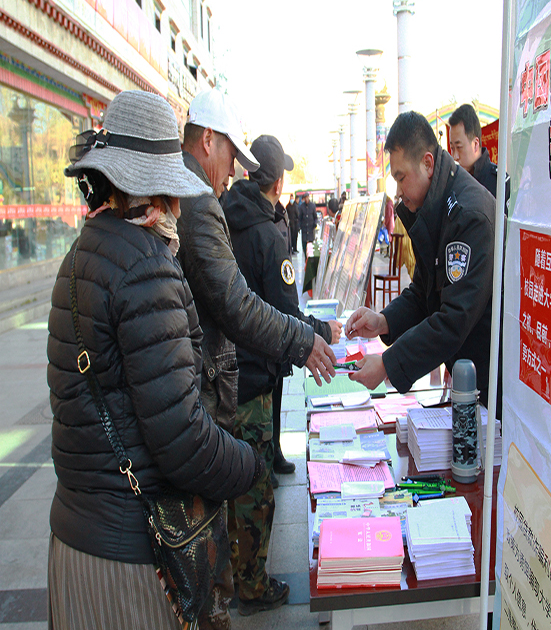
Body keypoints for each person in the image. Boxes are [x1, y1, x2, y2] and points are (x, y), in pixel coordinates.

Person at [46, 91, 263, 630]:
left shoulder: (82, 254)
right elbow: (181, 439)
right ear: (159, 186)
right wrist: (247, 464)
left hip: (73, 542)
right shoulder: (145, 268)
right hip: (131, 561)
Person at [177, 90, 336, 628]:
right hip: (218, 383)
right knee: (246, 488)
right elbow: (241, 305)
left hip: (217, 380)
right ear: (207, 142)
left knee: (230, 495)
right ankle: (238, 588)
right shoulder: (199, 205)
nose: (229, 174)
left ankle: (228, 586)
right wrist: (305, 341)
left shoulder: (213, 205)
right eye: (228, 158)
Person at [220, 135, 342, 613]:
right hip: (253, 377)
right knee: (256, 487)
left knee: (232, 478)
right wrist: (322, 331)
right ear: (278, 180)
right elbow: (284, 313)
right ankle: (250, 583)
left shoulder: (224, 217)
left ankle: (231, 568)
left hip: (226, 372)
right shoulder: (267, 234)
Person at [346, 110, 501, 418]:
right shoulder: (436, 206)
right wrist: (383, 321)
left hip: (489, 385)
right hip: (464, 375)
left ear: (428, 163)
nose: (399, 191)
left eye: (401, 177)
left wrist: (389, 364)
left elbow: (453, 319)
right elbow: (423, 291)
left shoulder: (468, 214)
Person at [448, 103, 510, 211]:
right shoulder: (453, 184)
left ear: (475, 144)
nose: (455, 156)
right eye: (452, 148)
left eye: (459, 147)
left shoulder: (499, 183)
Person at [298, 192, 317, 256]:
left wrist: (315, 224)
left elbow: (315, 217)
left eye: (307, 197)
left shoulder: (312, 206)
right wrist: (299, 226)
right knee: (304, 246)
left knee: (311, 247)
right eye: (305, 198)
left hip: (311, 229)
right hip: (304, 230)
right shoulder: (301, 207)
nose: (306, 199)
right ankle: (306, 259)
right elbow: (299, 218)